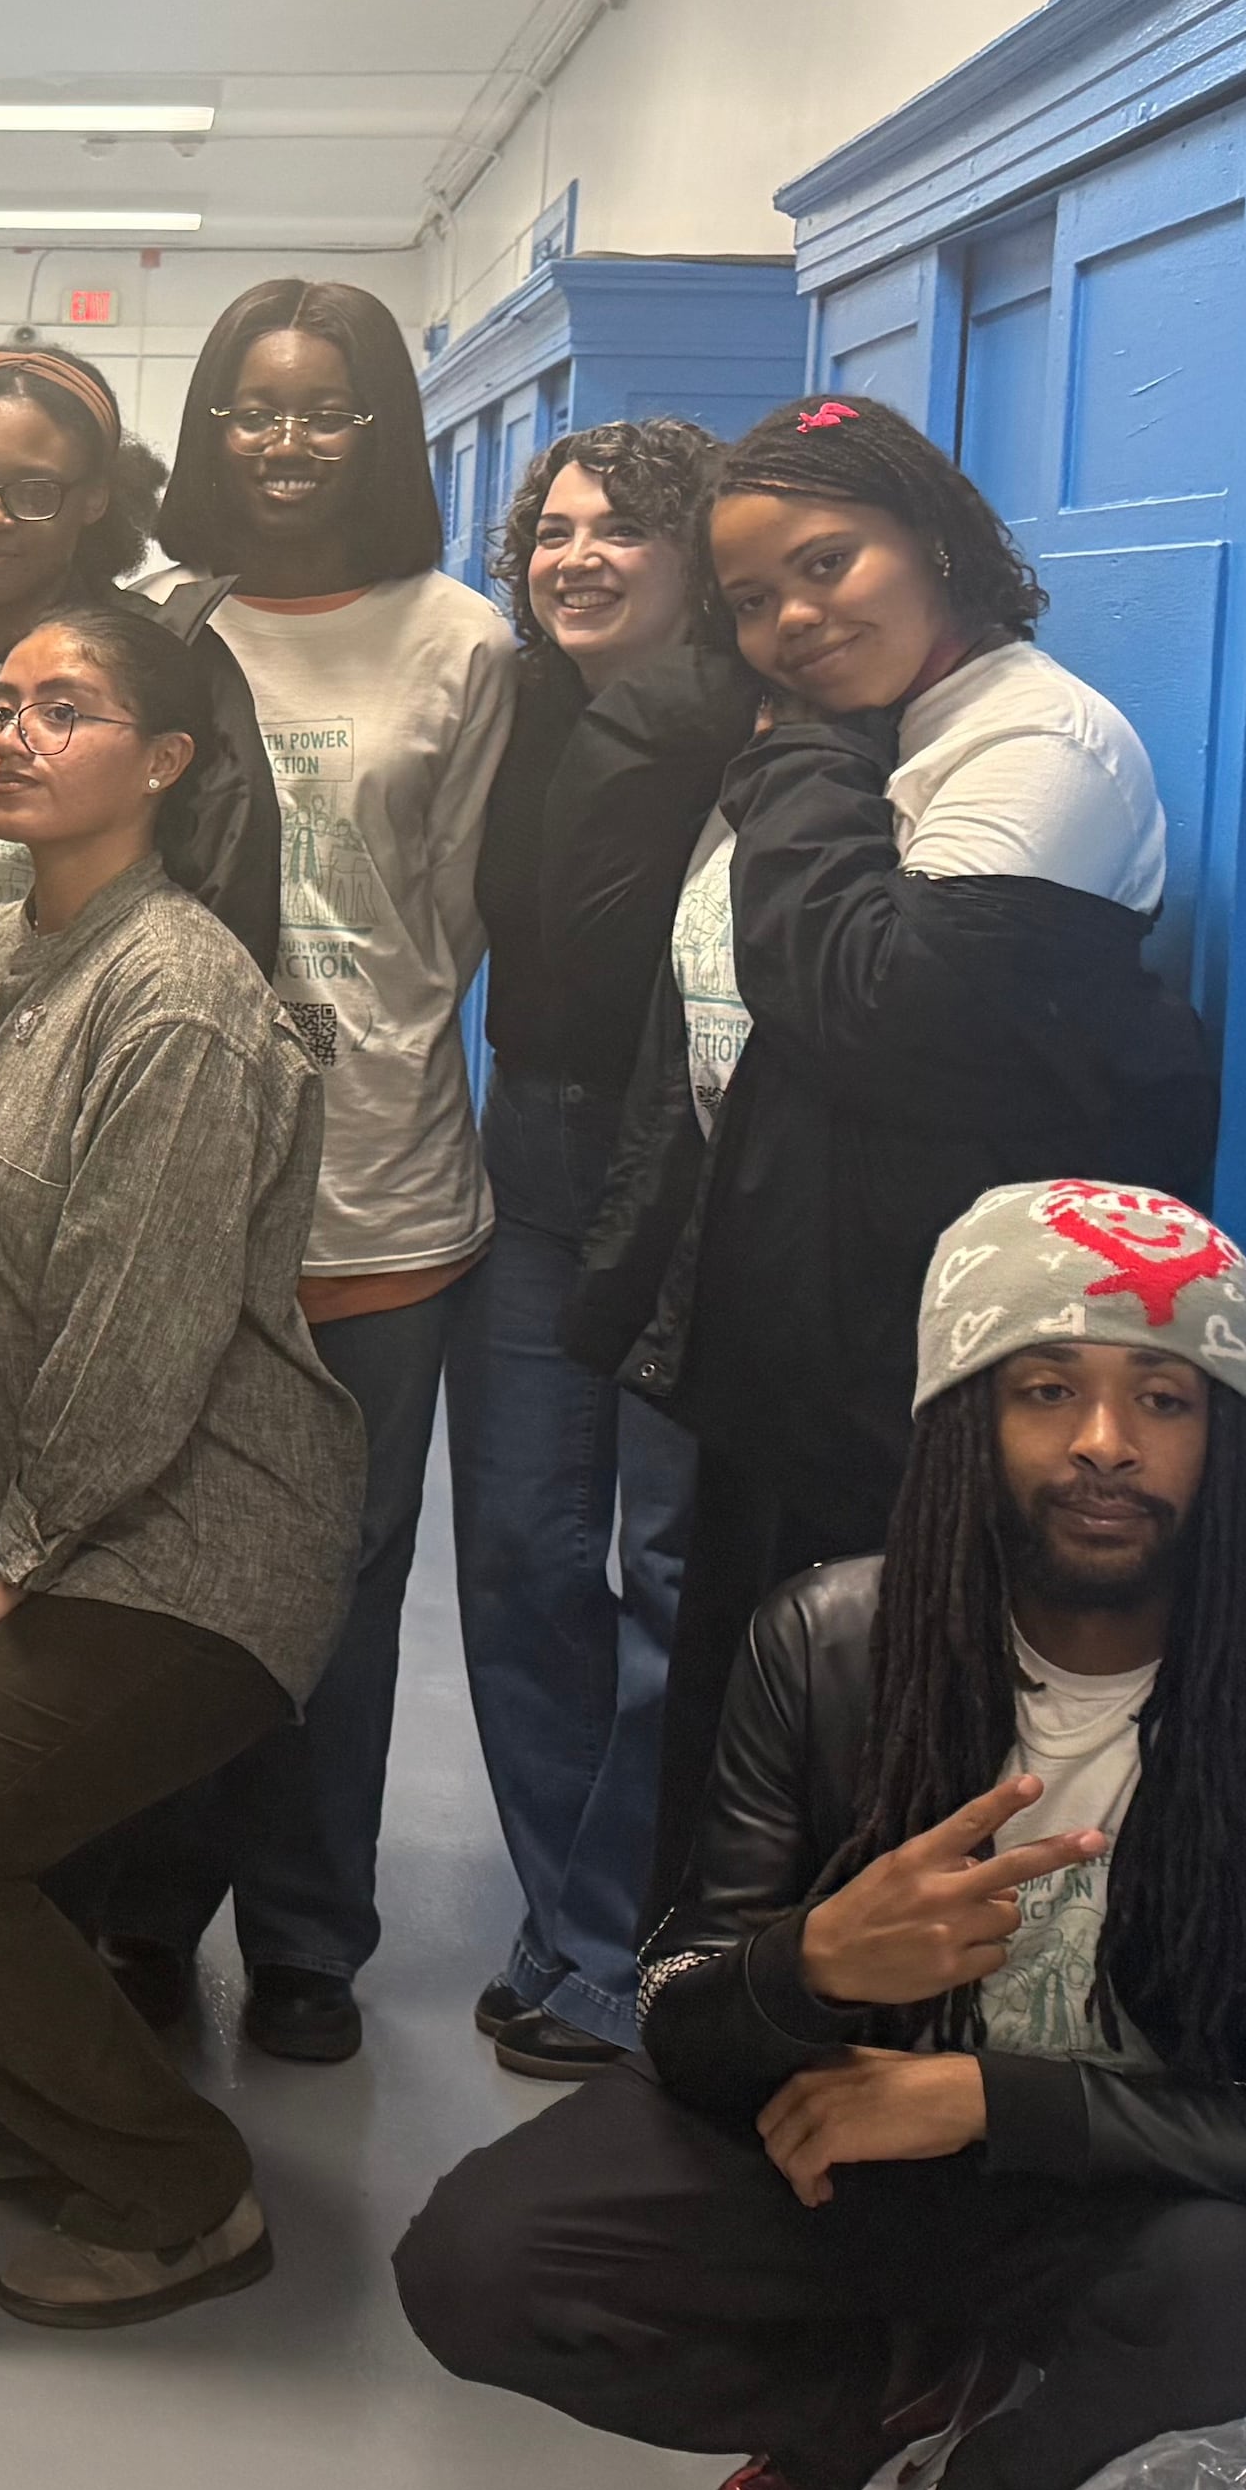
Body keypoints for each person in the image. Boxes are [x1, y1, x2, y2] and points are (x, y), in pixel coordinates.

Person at [401, 1181, 1246, 2490]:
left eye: (1165, 1397)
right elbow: (682, 2008)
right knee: (482, 2258)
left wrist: (991, 2096)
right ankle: (864, 2438)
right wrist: (810, 1966)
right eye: (1046, 1389)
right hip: (855, 2166)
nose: (1106, 1443)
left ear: (1230, 1436)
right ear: (968, 1416)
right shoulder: (829, 1638)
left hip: (1135, 2198)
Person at [567, 395, 1216, 1905]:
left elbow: (868, 998)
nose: (792, 617)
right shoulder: (885, 733)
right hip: (802, 1349)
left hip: (926, 1379)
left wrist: (793, 762)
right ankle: (718, 2037)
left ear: (933, 541)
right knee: (757, 1750)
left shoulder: (1037, 742)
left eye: (827, 563)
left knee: (883, 1760)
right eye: (749, 601)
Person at [0, 595, 359, 2332]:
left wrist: (20, 1574)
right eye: (5, 706)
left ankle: (180, 2189)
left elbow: (141, 1341)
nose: (16, 736)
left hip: (191, 1536)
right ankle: (45, 2115)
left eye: (70, 710)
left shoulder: (181, 998)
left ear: (170, 760)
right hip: (26, 1512)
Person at [91, 276, 514, 2064]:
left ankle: (310, 1933)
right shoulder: (151, 624)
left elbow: (467, 917)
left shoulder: (462, 641)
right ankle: (138, 1911)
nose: (284, 440)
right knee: (156, 1573)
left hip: (381, 1193)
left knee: (340, 1588)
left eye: (325, 407)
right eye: (250, 406)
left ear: (383, 431)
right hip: (163, 1183)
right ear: (203, 430)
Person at [447, 422, 756, 2082]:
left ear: (698, 552)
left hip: (696, 1171)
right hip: (537, 1145)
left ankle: (621, 1944)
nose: (576, 554)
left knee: (673, 1570)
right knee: (519, 1547)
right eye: (553, 528)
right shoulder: (524, 704)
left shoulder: (751, 715)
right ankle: (578, 1911)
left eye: (621, 530)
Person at [0, 346, 259, 1090]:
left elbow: (224, 909)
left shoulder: (167, 666)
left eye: (32, 490)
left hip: (91, 1100)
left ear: (95, 497)